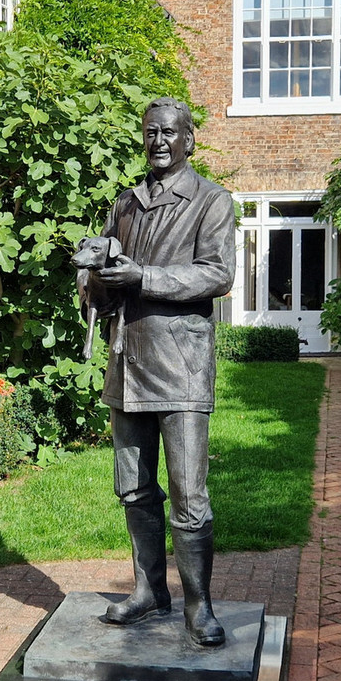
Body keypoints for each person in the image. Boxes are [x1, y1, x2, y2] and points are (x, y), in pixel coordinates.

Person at [94, 97, 236, 647]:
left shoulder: (210, 201)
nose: (158, 141)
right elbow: (107, 284)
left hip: (181, 368)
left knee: (188, 497)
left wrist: (143, 277)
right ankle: (150, 590)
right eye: (151, 132)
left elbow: (216, 274)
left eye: (169, 133)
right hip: (128, 363)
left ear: (188, 140)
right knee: (133, 489)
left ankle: (199, 606)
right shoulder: (125, 204)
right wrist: (95, 273)